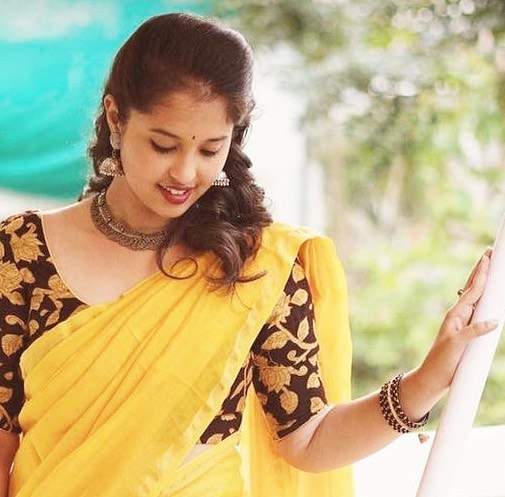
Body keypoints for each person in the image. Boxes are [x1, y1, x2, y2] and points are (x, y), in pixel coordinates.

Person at [0, 12, 498, 497]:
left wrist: (428, 379)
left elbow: (309, 439)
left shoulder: (254, 263)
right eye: (163, 145)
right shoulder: (21, 253)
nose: (185, 173)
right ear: (115, 117)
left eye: (210, 149)